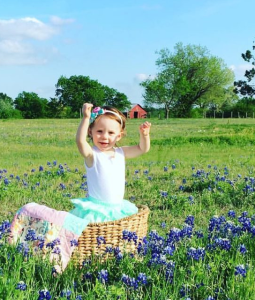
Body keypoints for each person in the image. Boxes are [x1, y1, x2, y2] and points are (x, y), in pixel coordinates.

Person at [8, 103, 151, 270]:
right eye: (99, 131)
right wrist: (85, 118)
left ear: (119, 136)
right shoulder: (92, 155)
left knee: (118, 235)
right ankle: (91, 261)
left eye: (111, 133)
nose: (104, 137)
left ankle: (116, 260)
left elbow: (143, 148)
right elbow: (80, 141)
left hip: (118, 207)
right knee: (94, 237)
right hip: (96, 209)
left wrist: (145, 135)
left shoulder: (121, 153)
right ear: (91, 132)